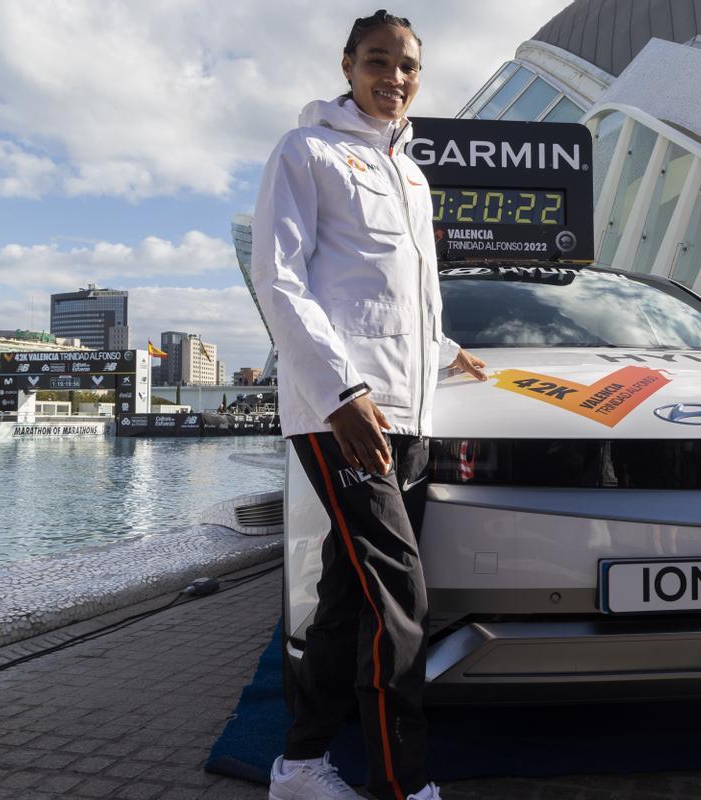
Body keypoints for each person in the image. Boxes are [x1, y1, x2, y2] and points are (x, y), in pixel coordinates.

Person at [249, 10, 487, 800]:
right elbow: (279, 279)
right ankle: (404, 784)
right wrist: (343, 393)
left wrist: (449, 353)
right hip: (345, 411)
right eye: (378, 61)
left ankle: (301, 767)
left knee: (352, 595)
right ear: (347, 65)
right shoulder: (307, 151)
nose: (395, 77)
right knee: (399, 596)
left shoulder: (411, 173)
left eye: (409, 66)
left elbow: (403, 295)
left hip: (411, 411)